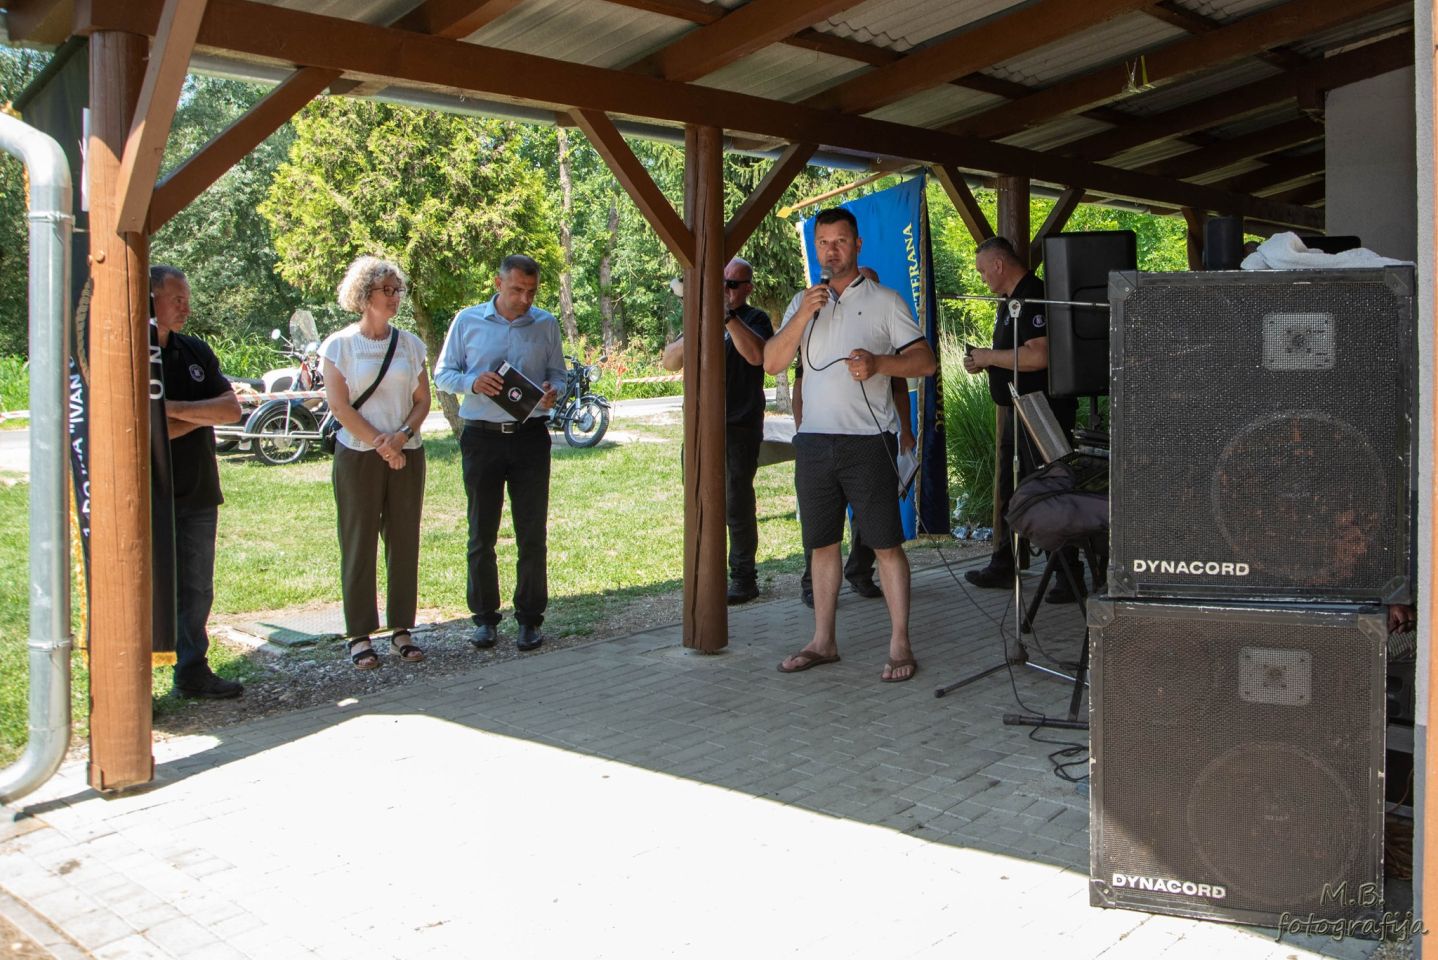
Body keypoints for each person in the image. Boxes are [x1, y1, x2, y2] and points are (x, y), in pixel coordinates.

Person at [764, 208, 937, 683]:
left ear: (858, 246)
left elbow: (925, 362)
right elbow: (771, 363)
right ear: (815, 246)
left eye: (841, 241)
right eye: (823, 242)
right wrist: (801, 314)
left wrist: (880, 362)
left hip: (868, 442)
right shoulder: (806, 301)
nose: (831, 250)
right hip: (816, 443)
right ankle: (823, 640)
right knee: (821, 545)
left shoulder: (885, 300)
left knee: (884, 544)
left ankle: (899, 641)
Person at [434, 255, 565, 653]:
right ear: (498, 283)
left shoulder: (545, 324)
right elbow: (443, 374)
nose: (524, 299)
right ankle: (485, 620)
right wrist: (474, 382)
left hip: (530, 437)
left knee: (531, 533)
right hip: (482, 438)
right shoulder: (467, 320)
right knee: (481, 534)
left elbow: (558, 373)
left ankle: (529, 620)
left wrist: (552, 390)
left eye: (531, 291)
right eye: (516, 290)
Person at [320, 256, 430, 670]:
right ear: (364, 295)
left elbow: (423, 401)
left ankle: (402, 628)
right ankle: (360, 633)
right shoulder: (340, 345)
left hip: (408, 452)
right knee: (358, 540)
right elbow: (339, 405)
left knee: (404, 540)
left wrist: (401, 437)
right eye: (387, 290)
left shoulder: (410, 344)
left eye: (397, 290)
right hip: (359, 454)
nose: (394, 297)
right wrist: (381, 445)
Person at [962, 235, 1079, 601]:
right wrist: (983, 361)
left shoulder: (1035, 296)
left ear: (999, 264)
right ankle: (1005, 560)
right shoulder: (1008, 302)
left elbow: (1038, 356)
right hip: (1016, 409)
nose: (982, 278)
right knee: (1010, 489)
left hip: (1042, 410)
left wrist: (989, 357)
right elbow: (1010, 355)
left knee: (1047, 489)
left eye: (983, 270)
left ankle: (1067, 571)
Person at [794, 265, 914, 608]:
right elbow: (782, 368)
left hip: (870, 440)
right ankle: (817, 614)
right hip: (816, 442)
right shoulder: (810, 313)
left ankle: (862, 574)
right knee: (820, 536)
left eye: (866, 287)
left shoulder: (886, 311)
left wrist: (905, 428)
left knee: (880, 534)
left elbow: (908, 378)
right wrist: (802, 428)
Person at [152, 264, 245, 699]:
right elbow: (145, 428)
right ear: (149, 299)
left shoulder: (195, 351)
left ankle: (192, 671)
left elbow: (231, 411)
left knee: (197, 589)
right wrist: (193, 413)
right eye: (177, 299)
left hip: (199, 490)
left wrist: (169, 409)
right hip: (149, 494)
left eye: (187, 298)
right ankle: (134, 686)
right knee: (146, 589)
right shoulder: (131, 353)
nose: (186, 307)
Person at [661, 257, 773, 604]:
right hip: (699, 427)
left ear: (748, 288)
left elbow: (757, 357)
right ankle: (705, 573)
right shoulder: (701, 315)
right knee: (699, 502)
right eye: (721, 283)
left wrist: (727, 317)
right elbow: (669, 361)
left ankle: (744, 577)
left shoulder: (756, 319)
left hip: (738, 427)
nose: (725, 290)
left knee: (736, 505)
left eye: (733, 285)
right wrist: (702, 319)